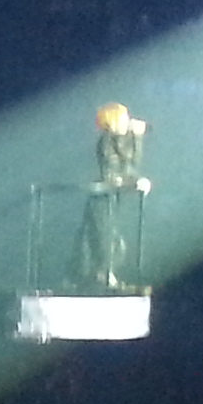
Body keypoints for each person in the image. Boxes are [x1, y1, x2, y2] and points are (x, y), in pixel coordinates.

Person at [77, 99, 150, 290]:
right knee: (105, 240)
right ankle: (103, 277)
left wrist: (137, 138)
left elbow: (131, 165)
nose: (129, 121)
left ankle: (105, 276)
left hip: (113, 200)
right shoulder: (106, 141)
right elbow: (114, 173)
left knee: (115, 242)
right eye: (124, 118)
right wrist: (134, 181)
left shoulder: (120, 140)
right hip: (101, 199)